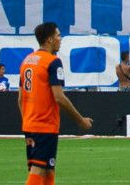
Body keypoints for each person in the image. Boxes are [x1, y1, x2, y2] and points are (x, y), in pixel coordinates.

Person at [20, 21, 93, 185]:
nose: (61, 39)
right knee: (38, 169)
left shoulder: (27, 61)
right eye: (58, 35)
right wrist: (80, 120)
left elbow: (20, 98)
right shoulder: (52, 62)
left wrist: (27, 121)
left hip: (30, 124)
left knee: (48, 169)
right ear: (49, 39)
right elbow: (59, 97)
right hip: (44, 125)